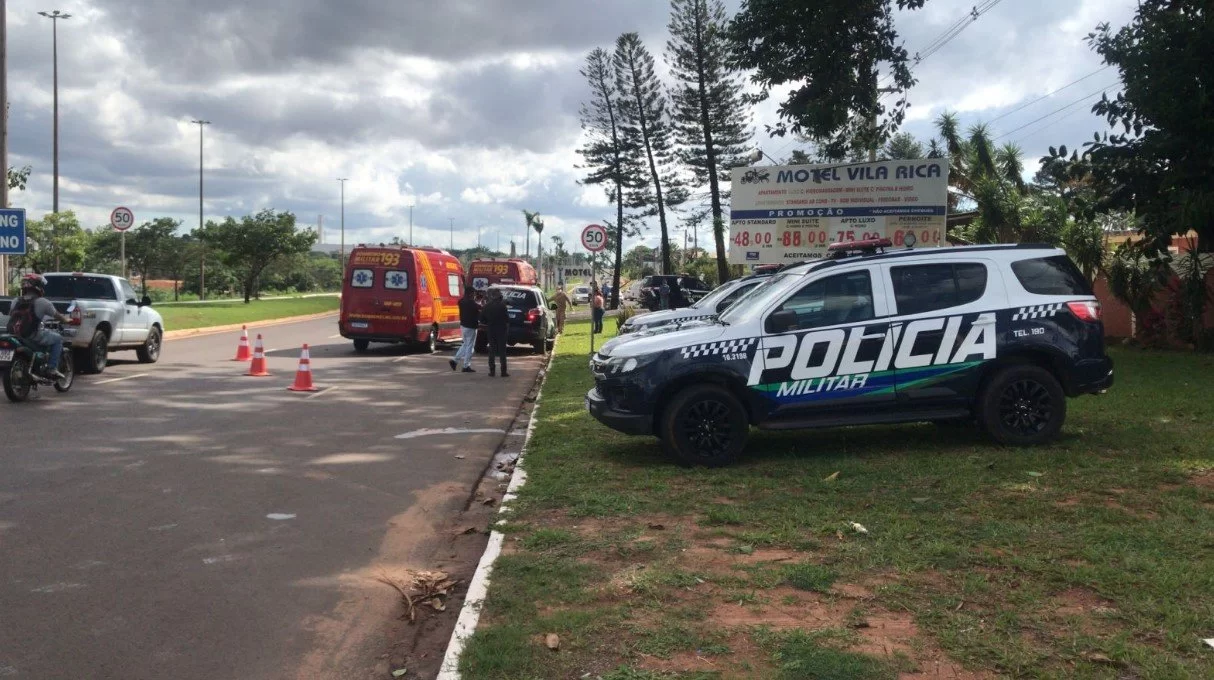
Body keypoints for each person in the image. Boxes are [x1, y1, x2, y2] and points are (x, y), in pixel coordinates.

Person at [5, 273, 70, 380]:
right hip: (33, 335)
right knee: (58, 338)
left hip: (15, 334)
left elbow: (11, 315)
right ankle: (52, 368)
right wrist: (66, 320)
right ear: (39, 287)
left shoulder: (15, 301)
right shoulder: (43, 302)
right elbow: (58, 316)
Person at [479, 288, 510, 377]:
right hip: (502, 330)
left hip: (491, 330)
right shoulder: (502, 306)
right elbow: (507, 319)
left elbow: (481, 319)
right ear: (499, 296)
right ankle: (503, 372)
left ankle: (492, 371)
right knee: (502, 351)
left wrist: (489, 323)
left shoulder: (487, 306)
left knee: (492, 350)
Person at [449, 286, 480, 373]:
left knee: (466, 344)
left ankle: (455, 361)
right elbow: (480, 308)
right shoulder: (472, 303)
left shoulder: (461, 302)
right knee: (470, 347)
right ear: (470, 294)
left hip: (463, 326)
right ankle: (466, 366)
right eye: (473, 293)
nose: (474, 295)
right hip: (471, 327)